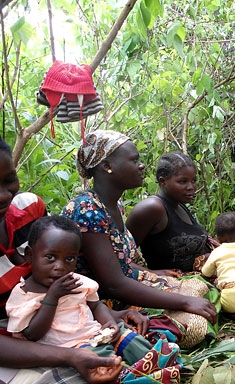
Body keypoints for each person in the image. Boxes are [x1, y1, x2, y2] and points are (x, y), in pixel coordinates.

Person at [0, 137, 146, 384]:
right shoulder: (88, 207)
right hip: (20, 342)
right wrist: (69, 356)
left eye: (9, 181)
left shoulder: (29, 209)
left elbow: (55, 280)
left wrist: (107, 316)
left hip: (61, 327)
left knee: (133, 341)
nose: (4, 195)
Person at [60, 130, 217, 344]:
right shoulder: (87, 210)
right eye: (134, 160)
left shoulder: (114, 205)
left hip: (124, 288)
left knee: (202, 289)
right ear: (107, 166)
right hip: (100, 303)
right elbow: (113, 283)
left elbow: (117, 262)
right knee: (191, 325)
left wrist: (149, 272)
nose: (142, 165)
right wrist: (184, 303)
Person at [6, 215, 154, 368]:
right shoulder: (23, 294)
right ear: (30, 255)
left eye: (69, 259)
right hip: (70, 348)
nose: (60, 266)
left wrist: (108, 322)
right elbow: (31, 335)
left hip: (96, 335)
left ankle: (154, 362)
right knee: (100, 359)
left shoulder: (77, 282)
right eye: (50, 257)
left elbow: (95, 306)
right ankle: (126, 372)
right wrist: (52, 298)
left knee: (129, 338)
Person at [127, 151, 213, 274]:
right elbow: (118, 258)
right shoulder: (152, 208)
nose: (191, 187)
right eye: (183, 181)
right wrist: (154, 274)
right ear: (163, 181)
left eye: (193, 180)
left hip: (196, 280)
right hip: (170, 286)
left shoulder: (179, 205)